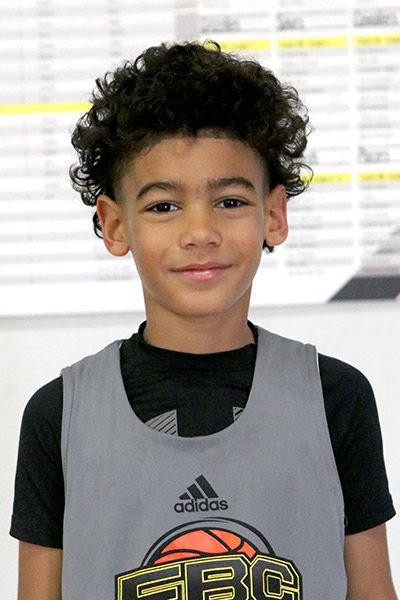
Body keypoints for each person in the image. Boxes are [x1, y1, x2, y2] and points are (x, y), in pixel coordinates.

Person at [11, 41, 397, 600]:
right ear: (115, 225)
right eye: (163, 206)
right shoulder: (60, 416)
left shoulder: (335, 398)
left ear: (274, 214)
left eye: (230, 201)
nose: (200, 232)